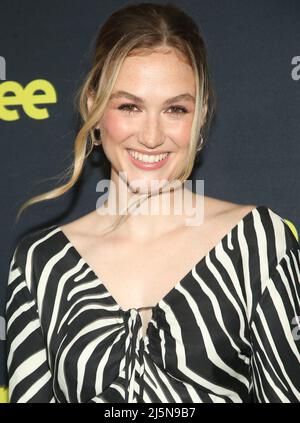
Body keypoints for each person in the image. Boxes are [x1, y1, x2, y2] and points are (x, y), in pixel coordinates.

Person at [5, 2, 300, 403]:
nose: (151, 136)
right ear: (93, 105)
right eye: (129, 106)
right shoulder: (42, 264)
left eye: (175, 109)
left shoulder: (258, 244)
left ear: (201, 114)